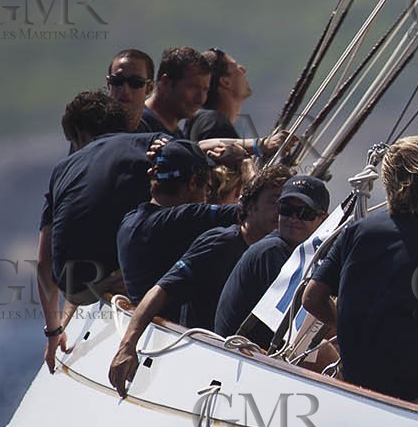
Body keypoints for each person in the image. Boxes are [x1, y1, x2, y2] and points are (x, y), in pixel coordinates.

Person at [300, 135, 418, 402]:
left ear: (387, 181)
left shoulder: (357, 232)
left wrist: (344, 327)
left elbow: (312, 298)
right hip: (412, 393)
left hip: (355, 379)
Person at [109, 165, 292, 397]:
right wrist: (127, 346)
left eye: (287, 204)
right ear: (250, 205)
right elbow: (161, 290)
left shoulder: (279, 254)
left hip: (247, 363)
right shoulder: (219, 244)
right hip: (203, 360)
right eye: (274, 201)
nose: (282, 212)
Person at [38, 92, 165, 370]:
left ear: (79, 134)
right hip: (125, 277)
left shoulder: (62, 169)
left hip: (76, 287)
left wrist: (53, 331)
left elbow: (44, 263)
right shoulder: (147, 143)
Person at [216, 174, 331, 348]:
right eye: (285, 209)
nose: (293, 218)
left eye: (304, 213)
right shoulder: (272, 252)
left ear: (323, 219)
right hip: (237, 356)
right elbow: (302, 318)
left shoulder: (298, 256)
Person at [116, 139, 239, 300]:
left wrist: (169, 153)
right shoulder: (181, 219)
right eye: (207, 188)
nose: (207, 198)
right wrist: (245, 163)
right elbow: (252, 211)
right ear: (193, 182)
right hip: (175, 323)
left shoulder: (130, 220)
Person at [139, 47, 210, 136]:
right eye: (193, 87)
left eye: (205, 90)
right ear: (166, 82)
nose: (200, 99)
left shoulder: (178, 135)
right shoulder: (138, 127)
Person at [187, 49, 250, 142]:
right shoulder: (213, 123)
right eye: (236, 67)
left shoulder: (202, 121)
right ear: (225, 82)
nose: (243, 69)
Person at [105, 48, 154, 133]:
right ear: (108, 83)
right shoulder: (90, 131)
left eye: (135, 82)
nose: (125, 90)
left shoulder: (148, 131)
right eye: (117, 80)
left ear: (149, 87)